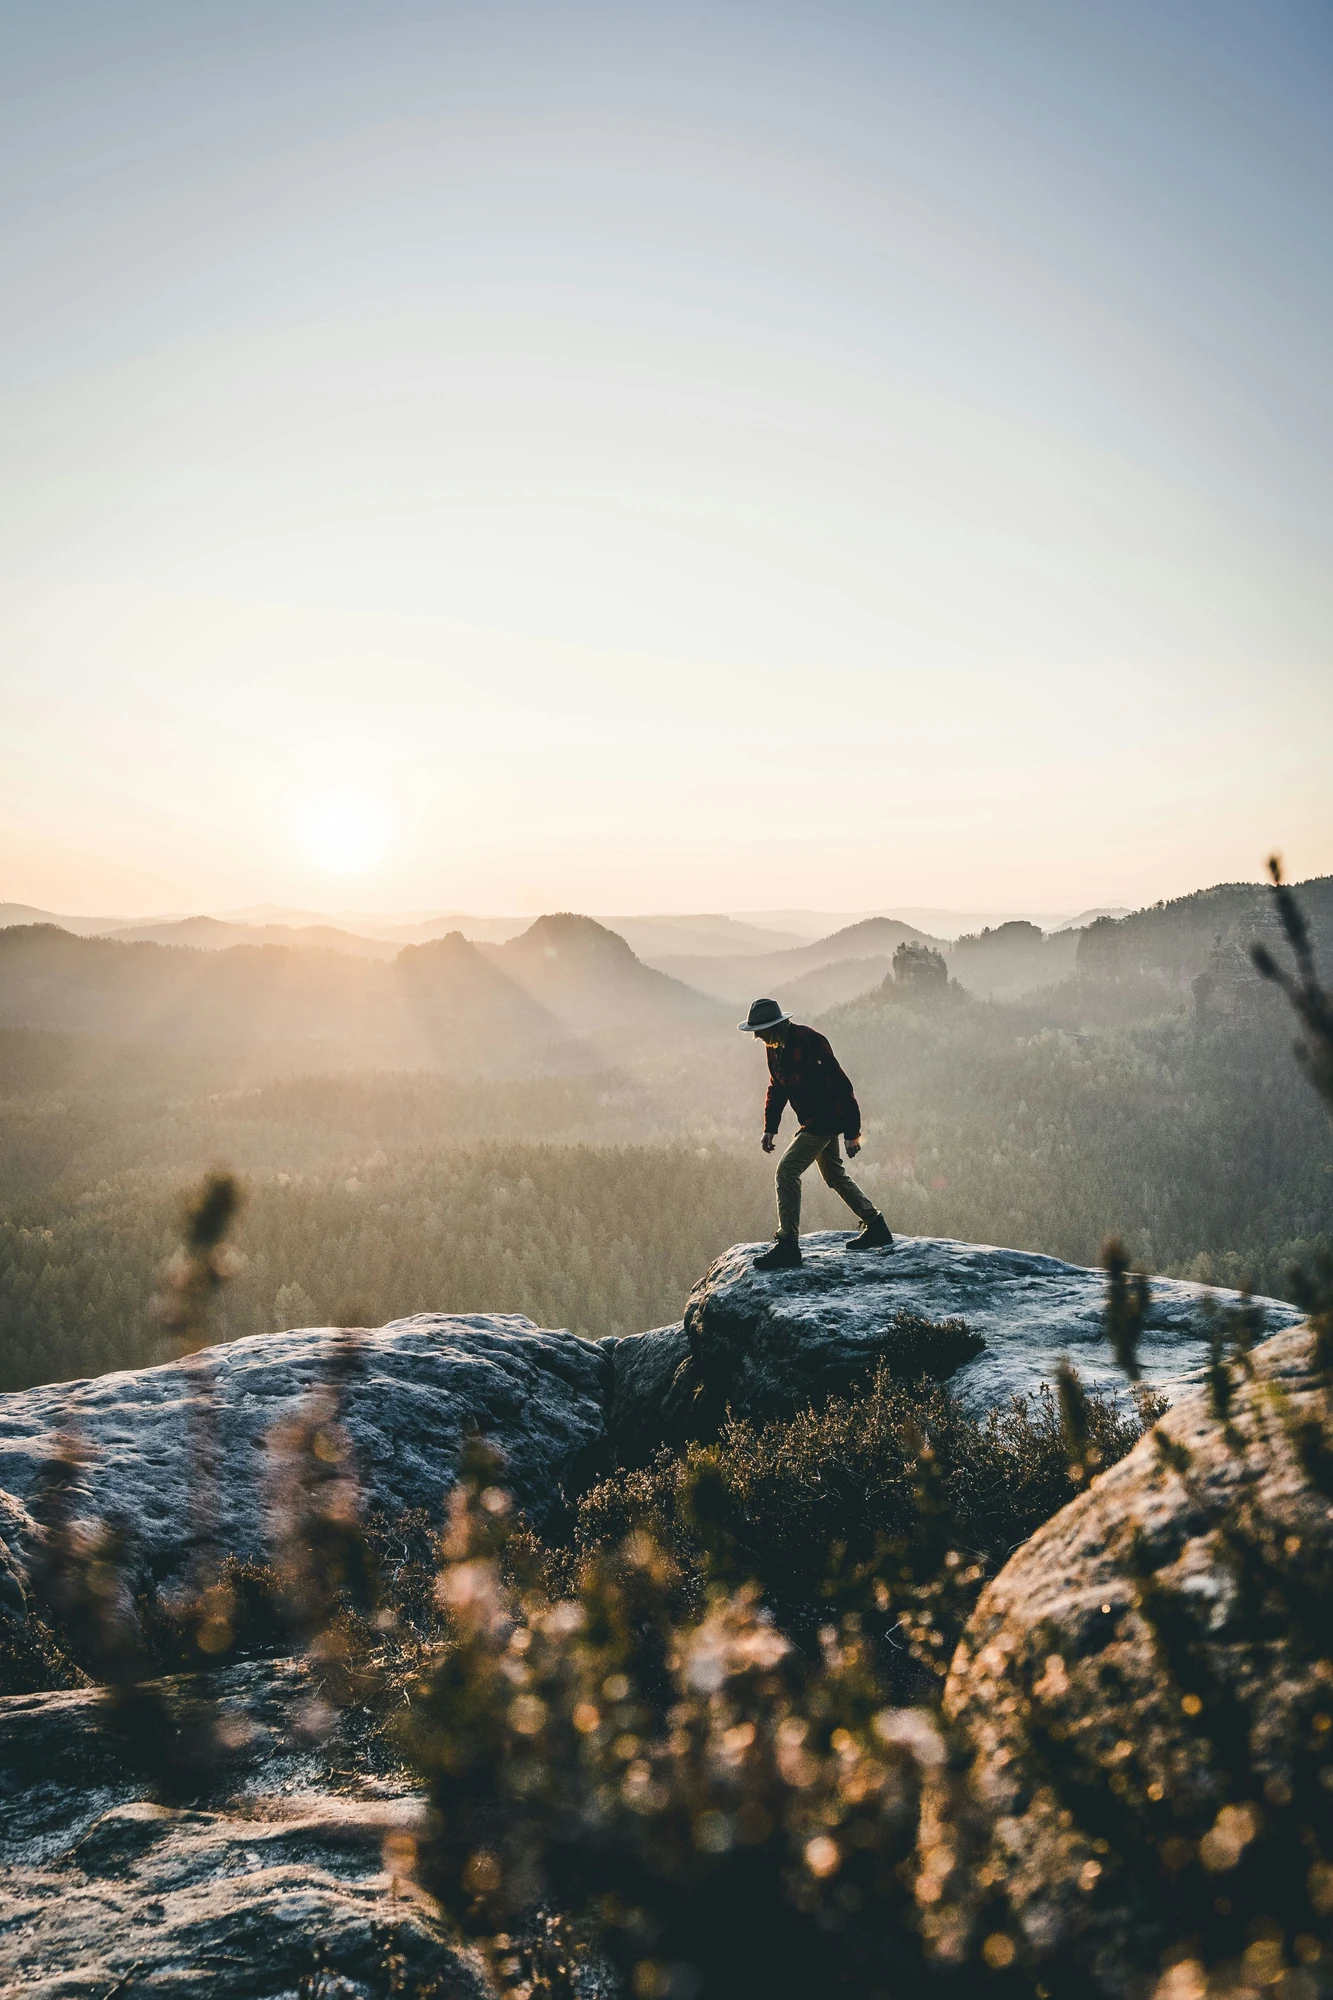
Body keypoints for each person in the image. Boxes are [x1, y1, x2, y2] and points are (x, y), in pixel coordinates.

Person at [738, 996, 893, 1270]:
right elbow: (777, 1087)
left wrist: (852, 1132)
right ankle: (876, 1225)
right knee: (833, 1174)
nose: (758, 1038)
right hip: (812, 1120)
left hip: (826, 1119)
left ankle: (788, 1245)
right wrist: (770, 1129)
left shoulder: (810, 1042)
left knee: (787, 1171)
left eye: (759, 1032)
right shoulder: (775, 1048)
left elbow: (841, 1086)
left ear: (774, 1026)